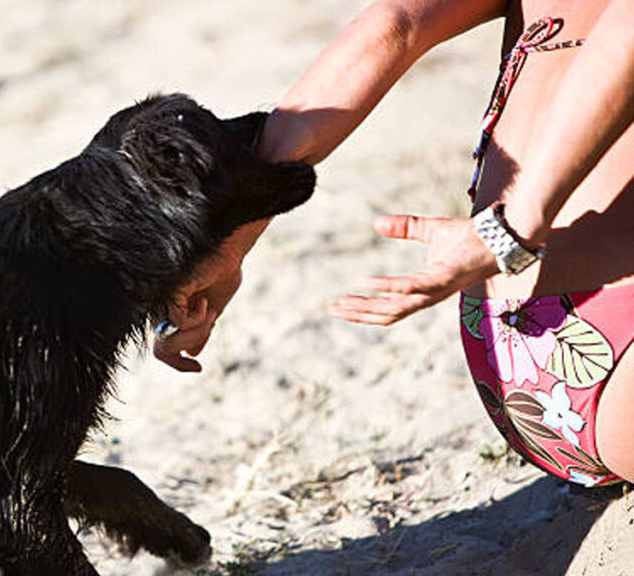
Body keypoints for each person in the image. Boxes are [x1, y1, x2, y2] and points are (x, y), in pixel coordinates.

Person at [153, 0, 634, 486]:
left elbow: (396, 25)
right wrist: (512, 228)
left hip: (512, 370)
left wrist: (230, 240)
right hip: (613, 329)